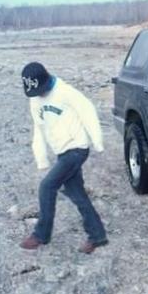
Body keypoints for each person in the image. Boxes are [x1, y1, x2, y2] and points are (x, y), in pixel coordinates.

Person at [19, 62, 107, 254]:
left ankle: (41, 234)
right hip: (62, 152)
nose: (39, 95)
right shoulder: (35, 100)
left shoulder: (66, 92)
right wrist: (41, 158)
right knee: (77, 194)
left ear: (47, 79)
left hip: (77, 148)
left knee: (47, 186)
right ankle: (98, 236)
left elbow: (88, 112)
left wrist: (97, 142)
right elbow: (38, 130)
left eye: (41, 90)